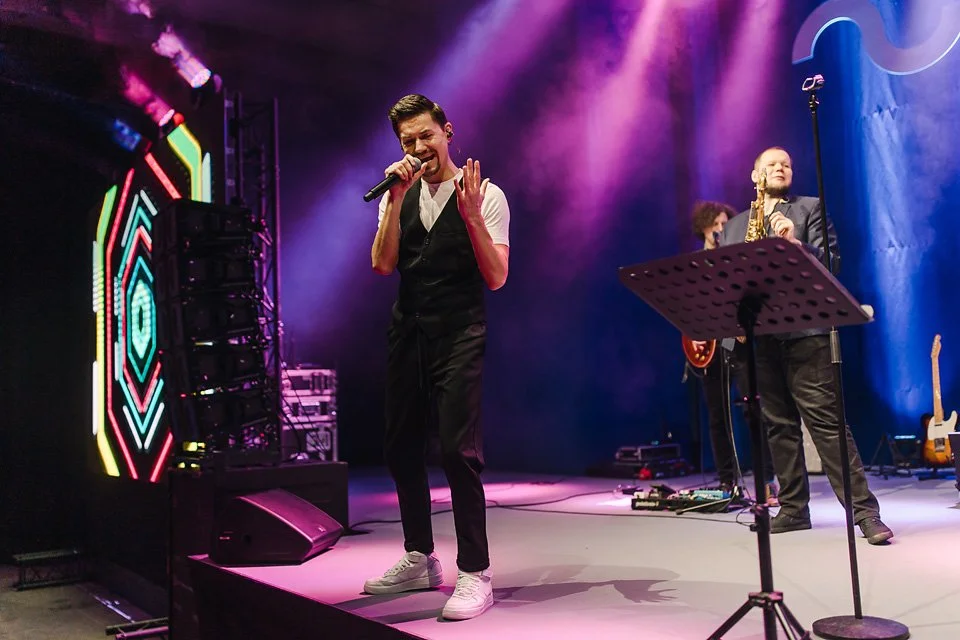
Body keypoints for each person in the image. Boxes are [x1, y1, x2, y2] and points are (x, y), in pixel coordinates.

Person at [365, 94, 510, 619]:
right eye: (408, 141)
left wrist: (470, 215)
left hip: (459, 331)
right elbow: (383, 265)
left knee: (456, 451)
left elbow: (496, 277)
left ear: (447, 131)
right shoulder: (396, 194)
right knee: (400, 446)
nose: (419, 147)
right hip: (408, 331)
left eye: (426, 135)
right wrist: (396, 199)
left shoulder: (487, 194)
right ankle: (419, 556)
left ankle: (476, 571)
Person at [717, 146, 893, 544]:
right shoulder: (735, 225)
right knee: (778, 427)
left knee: (828, 426)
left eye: (787, 164)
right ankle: (794, 509)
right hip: (758, 341)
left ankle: (865, 514)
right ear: (754, 175)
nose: (781, 167)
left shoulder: (809, 208)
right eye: (771, 164)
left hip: (805, 335)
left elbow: (831, 264)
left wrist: (797, 245)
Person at [690, 201, 778, 504]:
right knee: (717, 415)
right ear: (703, 226)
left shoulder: (736, 259)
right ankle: (727, 480)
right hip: (709, 348)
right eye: (714, 223)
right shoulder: (695, 265)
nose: (720, 228)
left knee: (753, 410)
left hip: (736, 344)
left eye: (725, 223)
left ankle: (766, 480)